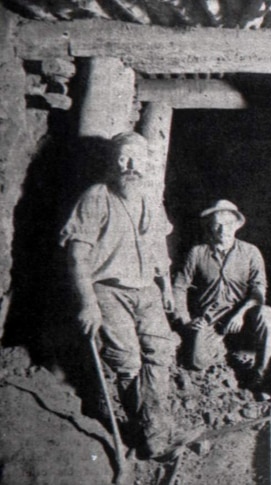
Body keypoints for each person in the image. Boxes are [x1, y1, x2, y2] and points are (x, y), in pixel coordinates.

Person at [61, 132, 178, 458]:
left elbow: (158, 247)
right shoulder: (97, 196)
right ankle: (148, 430)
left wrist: (166, 286)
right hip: (108, 289)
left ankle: (156, 423)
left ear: (148, 164)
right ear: (114, 161)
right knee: (127, 360)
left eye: (137, 159)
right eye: (124, 157)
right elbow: (76, 254)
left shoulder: (150, 199)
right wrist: (87, 303)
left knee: (160, 353)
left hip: (147, 289)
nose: (130, 165)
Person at [173, 200, 271, 387]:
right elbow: (179, 287)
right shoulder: (197, 253)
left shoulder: (250, 252)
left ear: (237, 225)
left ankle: (262, 371)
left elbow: (258, 290)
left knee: (266, 314)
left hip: (243, 319)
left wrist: (240, 314)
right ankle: (226, 349)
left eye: (228, 224)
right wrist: (186, 320)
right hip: (211, 320)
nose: (223, 230)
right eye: (217, 224)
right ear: (210, 227)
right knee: (196, 362)